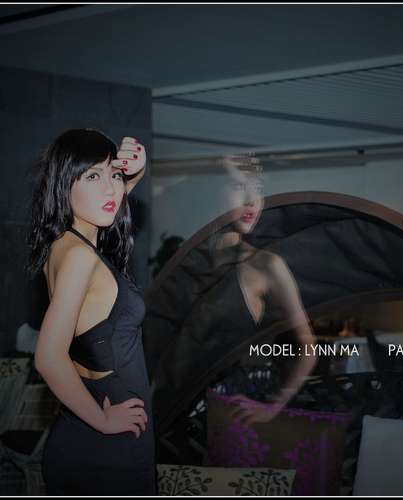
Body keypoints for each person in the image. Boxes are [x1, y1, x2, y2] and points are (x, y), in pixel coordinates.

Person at [26, 129, 156, 495]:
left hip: (91, 438)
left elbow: (106, 200)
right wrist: (103, 420)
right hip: (107, 450)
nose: (111, 189)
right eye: (93, 176)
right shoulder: (79, 257)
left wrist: (133, 173)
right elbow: (49, 358)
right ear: (64, 184)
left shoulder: (67, 242)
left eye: (113, 175)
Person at [151, 153, 317, 437]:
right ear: (213, 193)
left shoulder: (266, 265)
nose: (252, 200)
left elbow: (308, 347)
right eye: (239, 186)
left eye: (258, 188)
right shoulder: (186, 262)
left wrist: (273, 406)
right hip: (174, 407)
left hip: (234, 411)